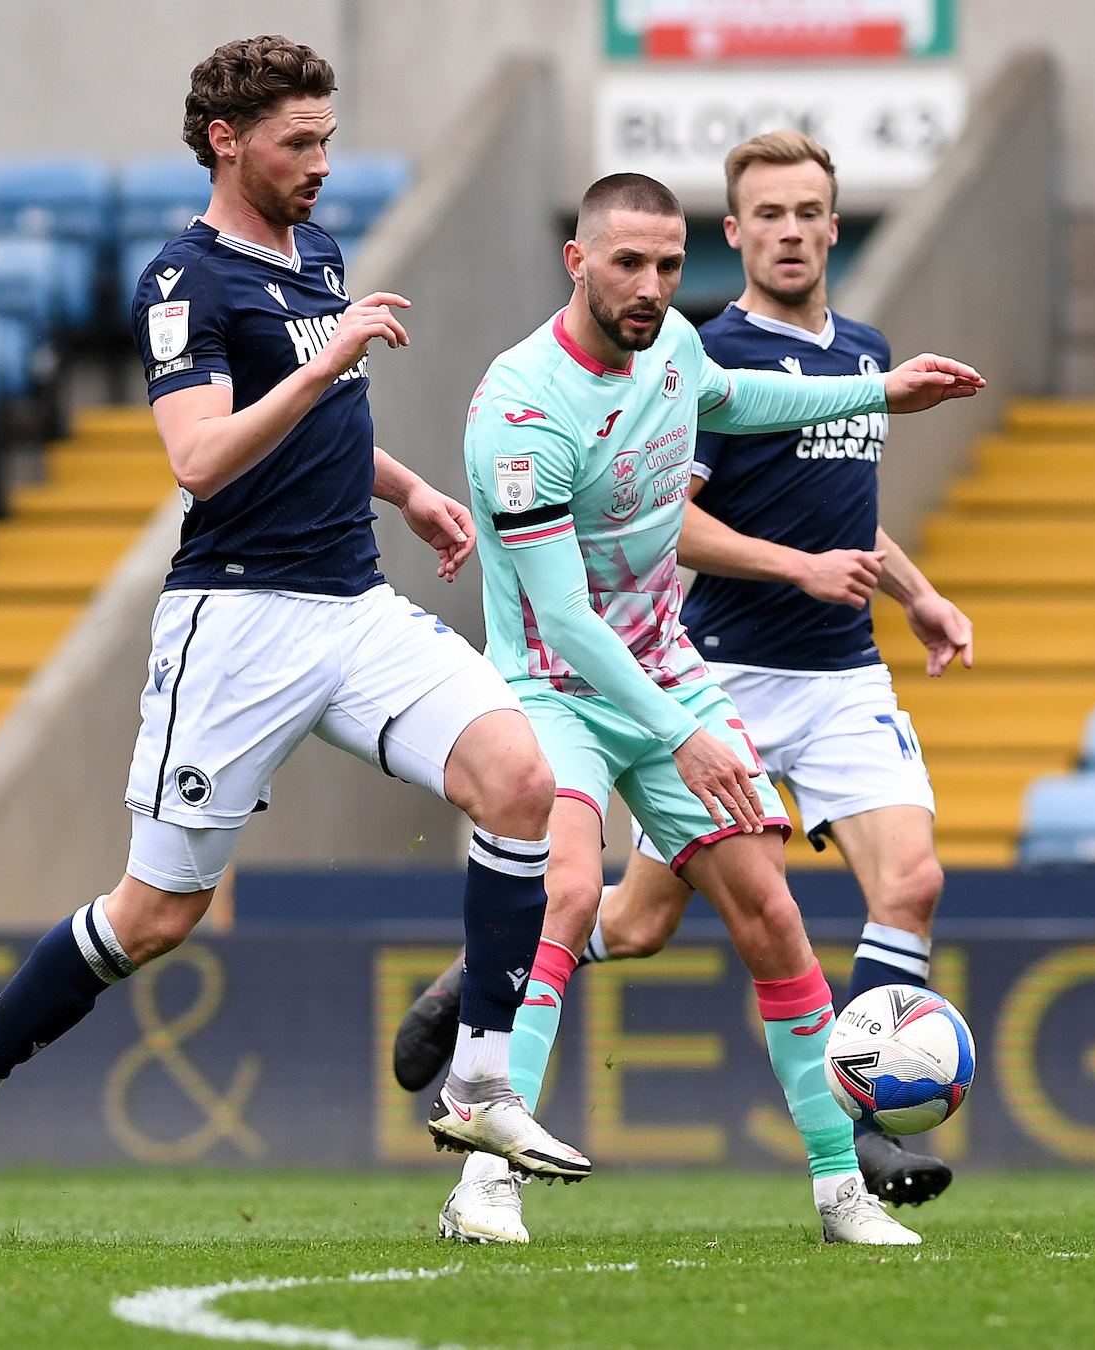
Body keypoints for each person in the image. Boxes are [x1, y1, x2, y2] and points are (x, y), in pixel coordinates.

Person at [0, 35, 584, 1247]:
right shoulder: (184, 281)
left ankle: (480, 1087)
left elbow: (320, 427)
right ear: (228, 141)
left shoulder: (314, 250)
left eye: (328, 137)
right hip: (236, 624)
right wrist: (330, 360)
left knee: (521, 784)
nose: (323, 162)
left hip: (355, 604)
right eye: (299, 142)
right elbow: (202, 459)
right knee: (155, 916)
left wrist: (410, 489)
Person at [398, 132, 979, 1210]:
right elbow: (564, 621)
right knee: (569, 892)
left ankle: (844, 1192)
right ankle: (486, 1179)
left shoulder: (676, 348)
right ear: (576, 260)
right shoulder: (520, 407)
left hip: (673, 669)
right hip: (554, 687)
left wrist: (878, 394)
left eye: (667, 268)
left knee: (771, 918)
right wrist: (681, 730)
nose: (653, 287)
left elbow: (734, 398)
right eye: (629, 264)